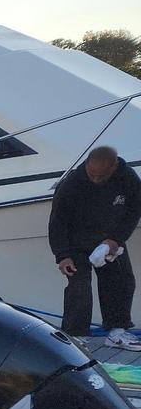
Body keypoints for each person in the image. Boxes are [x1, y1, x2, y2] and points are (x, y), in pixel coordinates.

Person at [48, 145, 141, 349]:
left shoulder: (128, 178)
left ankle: (117, 331)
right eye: (92, 175)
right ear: (87, 165)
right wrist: (62, 255)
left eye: (102, 176)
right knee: (79, 288)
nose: (96, 180)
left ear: (114, 167)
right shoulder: (71, 183)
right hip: (76, 243)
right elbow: (57, 222)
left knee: (122, 282)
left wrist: (116, 240)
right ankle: (75, 336)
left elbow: (134, 210)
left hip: (109, 240)